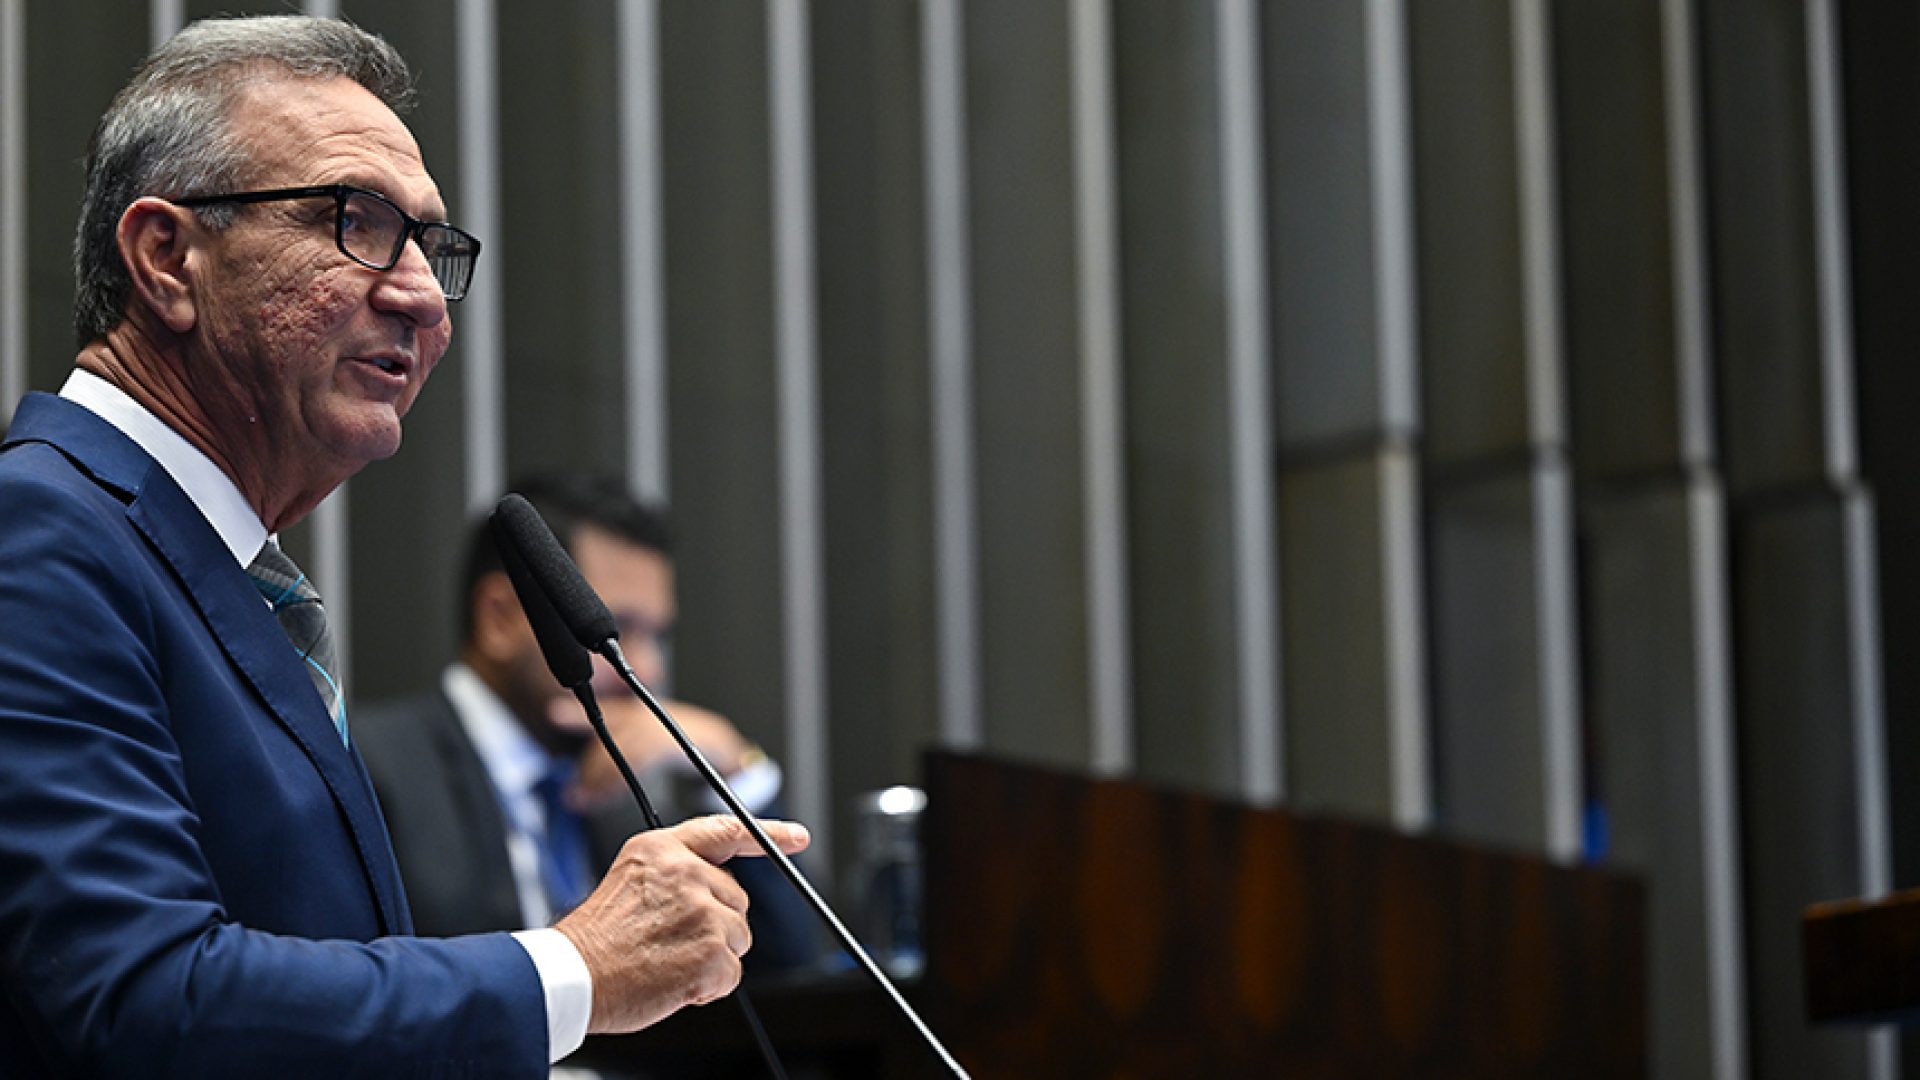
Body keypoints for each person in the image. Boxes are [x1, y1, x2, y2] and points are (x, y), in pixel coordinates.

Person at [0, 16, 805, 1078]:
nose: (424, 294)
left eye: (432, 245)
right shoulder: (41, 528)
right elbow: (141, 996)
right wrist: (574, 969)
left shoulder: (221, 574)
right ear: (167, 258)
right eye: (359, 222)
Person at [356, 476, 817, 971]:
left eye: (656, 635)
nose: (650, 668)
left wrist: (732, 768)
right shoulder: (370, 769)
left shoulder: (627, 788)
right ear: (500, 618)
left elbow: (791, 964)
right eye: (614, 631)